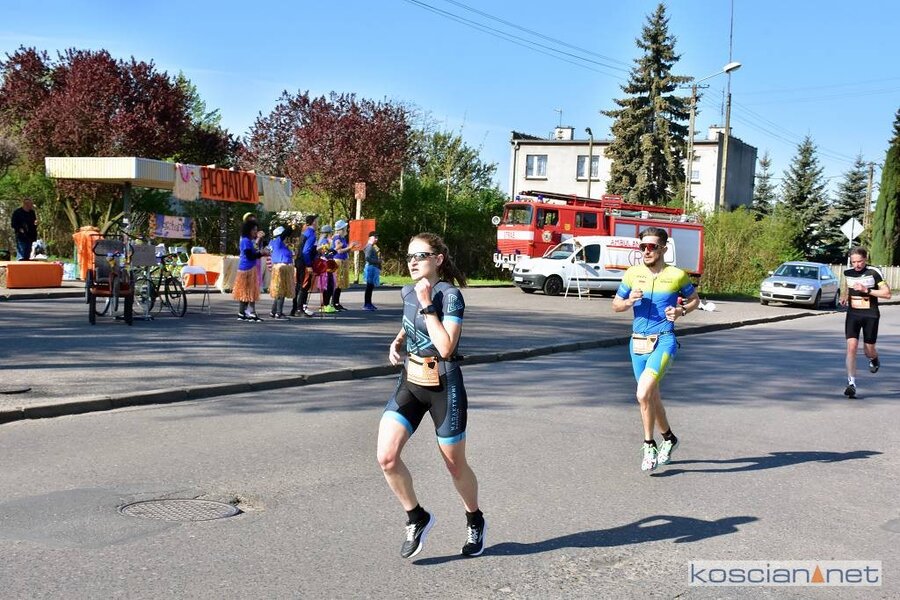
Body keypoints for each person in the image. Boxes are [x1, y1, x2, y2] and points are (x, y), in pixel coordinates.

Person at [376, 232, 486, 559]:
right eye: (409, 256)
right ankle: (416, 517)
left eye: (420, 256)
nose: (412, 262)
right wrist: (398, 340)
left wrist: (427, 304)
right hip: (411, 380)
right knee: (387, 457)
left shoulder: (450, 296)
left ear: (437, 260)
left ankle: (475, 519)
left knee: (454, 465)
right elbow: (410, 320)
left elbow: (446, 346)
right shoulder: (407, 291)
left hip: (444, 385)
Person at [612, 227, 700, 472]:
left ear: (663, 248)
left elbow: (695, 300)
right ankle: (669, 438)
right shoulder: (633, 274)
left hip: (664, 340)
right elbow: (616, 305)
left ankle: (649, 444)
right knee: (651, 396)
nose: (646, 251)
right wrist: (628, 301)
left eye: (652, 247)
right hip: (638, 342)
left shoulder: (677, 275)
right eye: (643, 247)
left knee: (642, 394)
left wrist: (681, 310)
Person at [839, 246, 891, 398]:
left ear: (865, 259)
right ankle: (851, 383)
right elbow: (847, 287)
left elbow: (887, 294)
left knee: (868, 350)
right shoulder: (847, 273)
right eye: (854, 262)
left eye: (860, 261)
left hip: (870, 315)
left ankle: (874, 358)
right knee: (851, 347)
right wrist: (844, 296)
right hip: (853, 314)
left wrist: (866, 290)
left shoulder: (874, 272)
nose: (857, 265)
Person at [233, 219, 270, 321]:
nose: (255, 232)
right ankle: (250, 313)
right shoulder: (245, 241)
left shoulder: (249, 241)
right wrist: (262, 253)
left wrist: (261, 251)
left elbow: (254, 251)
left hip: (249, 268)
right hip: (246, 269)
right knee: (249, 291)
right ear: (248, 230)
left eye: (256, 230)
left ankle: (242, 313)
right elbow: (250, 256)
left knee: (247, 291)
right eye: (254, 230)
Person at [290, 214, 318, 317]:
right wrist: (309, 264)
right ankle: (299, 309)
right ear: (313, 222)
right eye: (317, 221)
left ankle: (294, 309)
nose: (318, 223)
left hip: (299, 261)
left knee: (299, 284)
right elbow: (306, 251)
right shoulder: (311, 234)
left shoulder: (305, 233)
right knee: (304, 285)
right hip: (304, 262)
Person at [268, 226, 295, 320]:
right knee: (281, 290)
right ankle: (279, 313)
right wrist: (291, 226)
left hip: (280, 267)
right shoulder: (278, 241)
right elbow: (285, 233)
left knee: (279, 290)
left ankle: (273, 311)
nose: (287, 238)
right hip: (281, 268)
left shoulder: (274, 243)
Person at [330, 219, 355, 311]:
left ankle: (337, 302)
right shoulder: (337, 238)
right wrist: (349, 247)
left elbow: (346, 249)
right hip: (338, 261)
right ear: (341, 229)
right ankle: (334, 303)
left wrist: (350, 247)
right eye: (345, 227)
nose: (347, 229)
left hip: (343, 260)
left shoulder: (343, 238)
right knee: (337, 283)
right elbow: (339, 251)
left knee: (340, 283)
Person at [316, 224, 337, 313]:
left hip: (326, 264)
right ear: (328, 233)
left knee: (328, 285)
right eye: (330, 232)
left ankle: (326, 304)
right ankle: (325, 305)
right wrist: (335, 250)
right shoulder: (324, 241)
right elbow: (326, 254)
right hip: (326, 264)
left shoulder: (323, 240)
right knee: (328, 285)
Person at [363, 231, 382, 310]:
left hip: (373, 268)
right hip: (370, 268)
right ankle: (366, 304)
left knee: (371, 287)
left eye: (377, 237)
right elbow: (367, 258)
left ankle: (369, 303)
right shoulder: (369, 247)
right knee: (369, 287)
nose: (376, 239)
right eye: (375, 237)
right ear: (370, 238)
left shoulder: (372, 246)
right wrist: (378, 261)